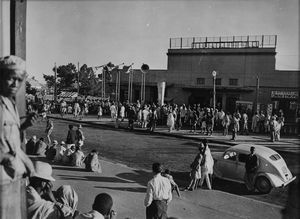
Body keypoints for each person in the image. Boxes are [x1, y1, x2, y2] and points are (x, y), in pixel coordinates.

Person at [0, 55, 37, 218]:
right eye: (10, 78)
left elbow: (7, 139)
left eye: (19, 80)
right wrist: (5, 157)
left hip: (13, 177)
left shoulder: (9, 103)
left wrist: (24, 126)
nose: (15, 84)